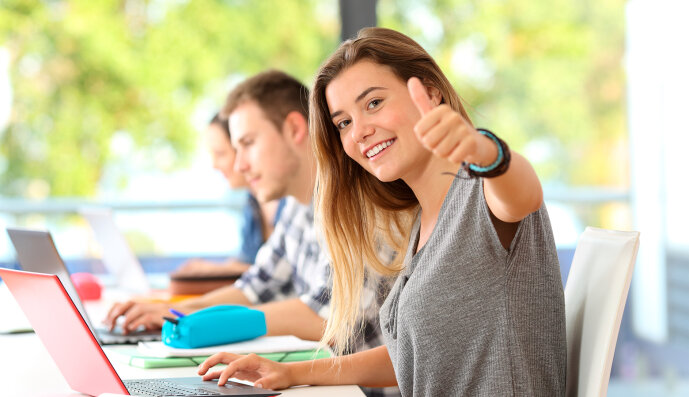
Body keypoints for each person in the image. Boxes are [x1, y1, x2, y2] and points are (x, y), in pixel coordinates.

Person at [196, 27, 566, 396]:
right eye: (344, 123)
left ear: (430, 92)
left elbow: (524, 193)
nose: (359, 132)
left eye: (373, 103)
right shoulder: (422, 222)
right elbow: (409, 357)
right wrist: (290, 373)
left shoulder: (481, 192)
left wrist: (485, 151)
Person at [103, 70, 400, 397]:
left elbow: (327, 317)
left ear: (294, 129)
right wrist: (180, 313)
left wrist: (203, 322)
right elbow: (257, 286)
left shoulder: (361, 204)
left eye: (247, 144)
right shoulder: (299, 207)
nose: (240, 165)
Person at [174, 113, 284, 276]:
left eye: (220, 154)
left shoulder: (295, 202)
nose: (214, 165)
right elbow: (249, 264)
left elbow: (280, 275)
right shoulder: (252, 203)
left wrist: (215, 269)